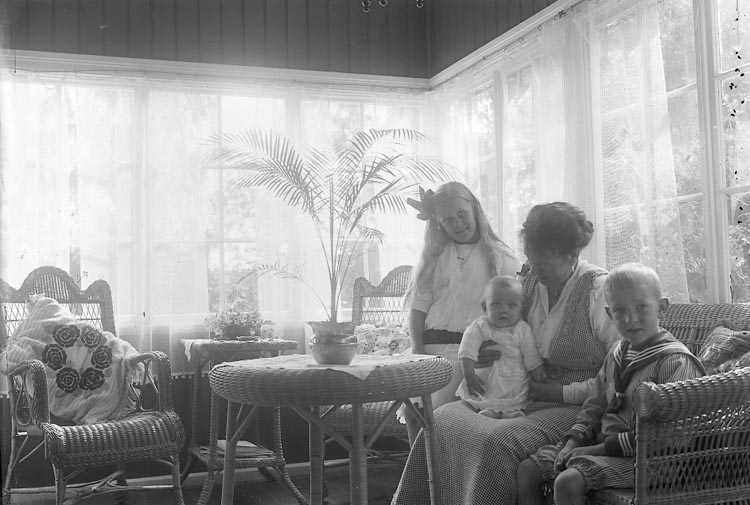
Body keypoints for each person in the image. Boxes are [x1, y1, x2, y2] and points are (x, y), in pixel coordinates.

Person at [391, 201, 622, 505]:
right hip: (518, 395)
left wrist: (561, 392)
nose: (534, 271)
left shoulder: (599, 291)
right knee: (442, 420)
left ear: (571, 255)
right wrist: (486, 352)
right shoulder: (530, 283)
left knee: (494, 441)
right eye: (531, 261)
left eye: (542, 264)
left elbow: (618, 376)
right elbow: (501, 329)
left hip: (578, 408)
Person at [516, 263, 705, 505]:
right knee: (528, 470)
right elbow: (594, 406)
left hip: (653, 462)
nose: (630, 319)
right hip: (604, 449)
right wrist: (574, 441)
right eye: (619, 311)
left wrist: (598, 450)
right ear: (608, 314)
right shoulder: (617, 354)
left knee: (568, 481)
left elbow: (672, 437)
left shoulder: (675, 362)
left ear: (662, 308)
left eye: (641, 307)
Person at [403, 182, 521, 440]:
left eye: (462, 214)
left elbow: (513, 311)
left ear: (475, 209)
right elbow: (418, 307)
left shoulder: (500, 257)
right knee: (414, 411)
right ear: (438, 223)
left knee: (440, 419)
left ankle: (440, 466)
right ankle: (418, 464)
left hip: (469, 352)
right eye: (448, 220)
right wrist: (417, 350)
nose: (457, 224)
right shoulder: (435, 256)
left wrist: (490, 347)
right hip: (428, 350)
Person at [456, 275, 545, 419]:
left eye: (511, 305)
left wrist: (541, 377)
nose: (503, 310)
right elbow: (467, 350)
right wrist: (469, 375)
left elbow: (531, 356)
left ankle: (511, 412)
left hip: (514, 381)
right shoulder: (480, 326)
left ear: (521, 309)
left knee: (515, 397)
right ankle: (488, 410)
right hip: (488, 380)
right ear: (485, 307)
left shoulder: (522, 329)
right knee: (484, 394)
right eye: (496, 304)